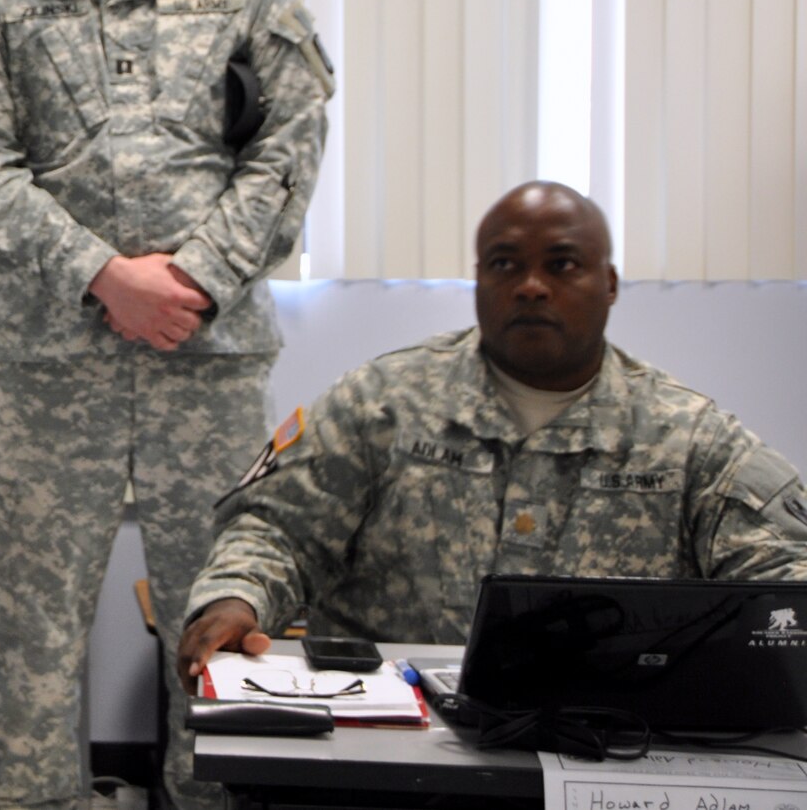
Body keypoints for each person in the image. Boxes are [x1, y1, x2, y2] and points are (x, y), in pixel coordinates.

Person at [0, 0, 334, 810]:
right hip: (41, 367)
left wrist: (191, 276)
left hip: (203, 361)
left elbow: (291, 141)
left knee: (221, 627)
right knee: (26, 630)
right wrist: (102, 273)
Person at [178, 181, 807, 686]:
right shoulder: (383, 405)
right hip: (394, 750)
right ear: (479, 281)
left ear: (609, 285)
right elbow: (276, 530)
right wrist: (238, 599)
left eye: (562, 265)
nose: (531, 286)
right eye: (505, 265)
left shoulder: (687, 437)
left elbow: (784, 580)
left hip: (605, 747)